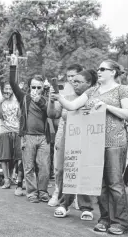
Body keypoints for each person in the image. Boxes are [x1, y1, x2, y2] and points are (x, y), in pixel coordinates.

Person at [51, 60, 128, 235]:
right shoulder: (92, 90)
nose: (99, 71)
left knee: (115, 184)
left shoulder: (122, 90)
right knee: (101, 184)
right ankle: (104, 219)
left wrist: (107, 107)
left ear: (113, 72)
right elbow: (73, 106)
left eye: (103, 69)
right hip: (95, 142)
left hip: (115, 142)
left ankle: (120, 222)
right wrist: (59, 98)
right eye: (98, 69)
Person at [48, 69, 97, 220]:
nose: (74, 84)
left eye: (78, 81)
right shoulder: (66, 97)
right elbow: (52, 114)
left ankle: (86, 207)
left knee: (84, 172)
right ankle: (64, 204)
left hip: (87, 138)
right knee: (64, 170)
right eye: (73, 81)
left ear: (89, 84)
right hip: (67, 137)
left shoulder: (94, 98)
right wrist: (51, 100)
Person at [8, 55, 52, 203]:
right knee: (28, 167)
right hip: (28, 136)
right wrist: (13, 66)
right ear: (29, 88)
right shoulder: (24, 98)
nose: (36, 90)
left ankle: (43, 192)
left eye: (39, 87)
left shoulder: (46, 100)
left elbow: (50, 112)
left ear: (43, 89)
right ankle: (32, 193)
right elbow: (12, 83)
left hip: (44, 138)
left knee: (45, 167)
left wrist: (39, 101)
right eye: (33, 87)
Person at [47, 64, 84, 207]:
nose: (71, 79)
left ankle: (76, 196)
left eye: (74, 76)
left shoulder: (87, 93)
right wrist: (51, 99)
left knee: (77, 166)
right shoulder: (64, 93)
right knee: (60, 167)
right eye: (68, 76)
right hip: (63, 133)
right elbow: (53, 114)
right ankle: (58, 192)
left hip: (80, 135)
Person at [0, 81, 22, 192]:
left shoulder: (18, 101)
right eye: (6, 89)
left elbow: (20, 116)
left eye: (10, 89)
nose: (7, 91)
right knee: (4, 157)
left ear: (13, 90)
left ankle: (17, 178)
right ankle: (6, 179)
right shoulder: (1, 102)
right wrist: (0, 103)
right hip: (4, 131)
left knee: (19, 157)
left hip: (17, 131)